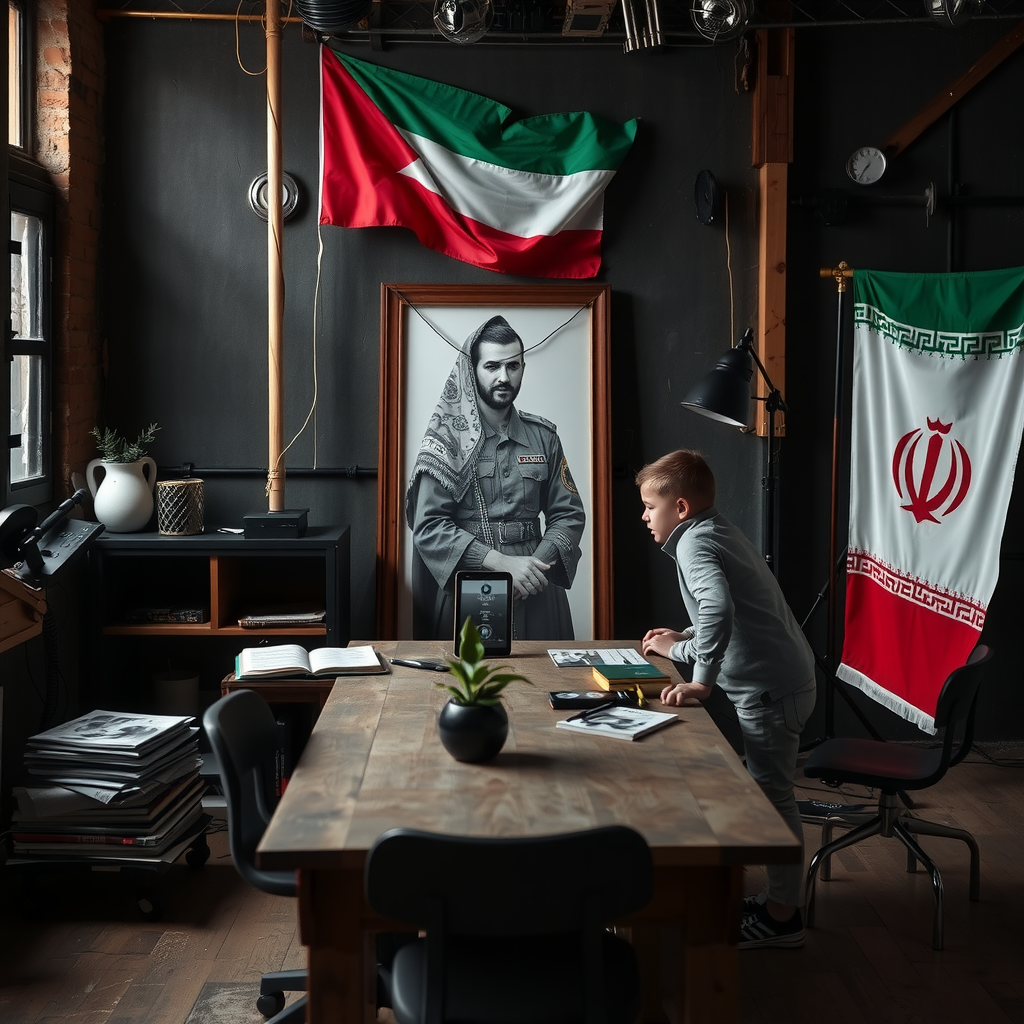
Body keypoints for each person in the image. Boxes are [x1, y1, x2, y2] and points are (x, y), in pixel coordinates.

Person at [636, 449, 816, 949]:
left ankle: (783, 919)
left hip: (772, 690)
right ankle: (778, 900)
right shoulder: (712, 530)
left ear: (681, 508)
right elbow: (731, 605)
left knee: (773, 800)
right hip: (783, 680)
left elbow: (719, 610)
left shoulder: (694, 544)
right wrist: (685, 633)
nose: (644, 516)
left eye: (651, 506)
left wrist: (699, 677)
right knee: (767, 794)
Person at [405, 315, 586, 641]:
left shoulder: (544, 437)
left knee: (548, 687)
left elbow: (568, 514)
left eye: (513, 366)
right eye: (492, 367)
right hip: (472, 587)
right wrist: (500, 565)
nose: (504, 377)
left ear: (522, 368)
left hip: (538, 590)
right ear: (471, 370)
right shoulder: (447, 440)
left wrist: (533, 570)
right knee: (472, 689)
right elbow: (429, 527)